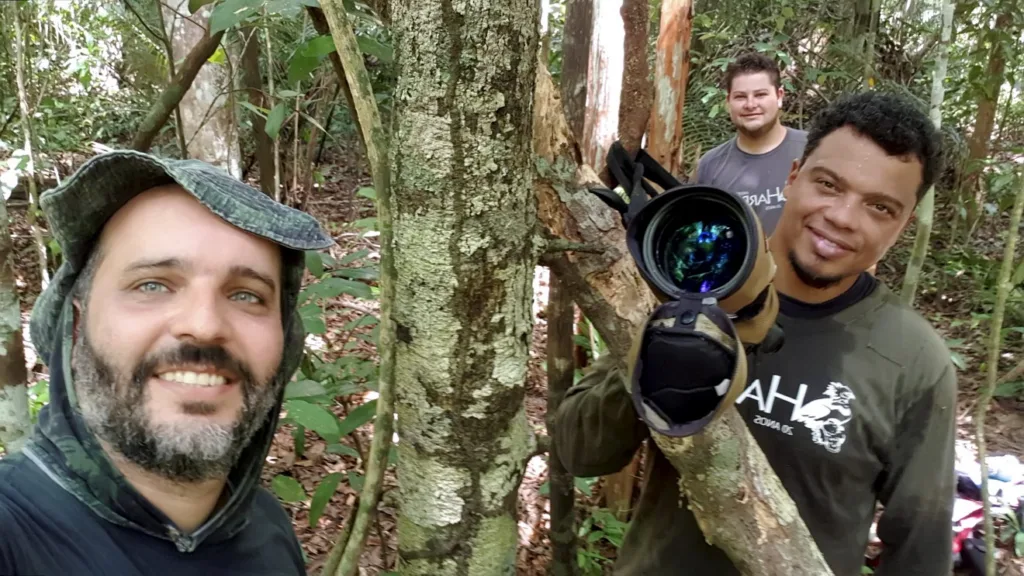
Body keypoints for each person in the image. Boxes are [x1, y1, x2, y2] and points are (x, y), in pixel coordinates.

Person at [553, 91, 956, 576]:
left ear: (903, 224)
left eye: (880, 207)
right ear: (792, 177)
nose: (843, 217)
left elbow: (920, 549)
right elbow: (578, 450)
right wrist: (673, 342)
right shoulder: (698, 278)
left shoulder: (913, 360)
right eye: (828, 184)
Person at [0, 150, 333, 575]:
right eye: (153, 284)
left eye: (247, 295)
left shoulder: (268, 529)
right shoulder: (12, 535)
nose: (205, 325)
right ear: (77, 326)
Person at [695, 51, 807, 236]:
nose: (750, 104)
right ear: (728, 101)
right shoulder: (710, 166)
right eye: (740, 97)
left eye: (760, 94)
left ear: (779, 96)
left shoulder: (812, 149)